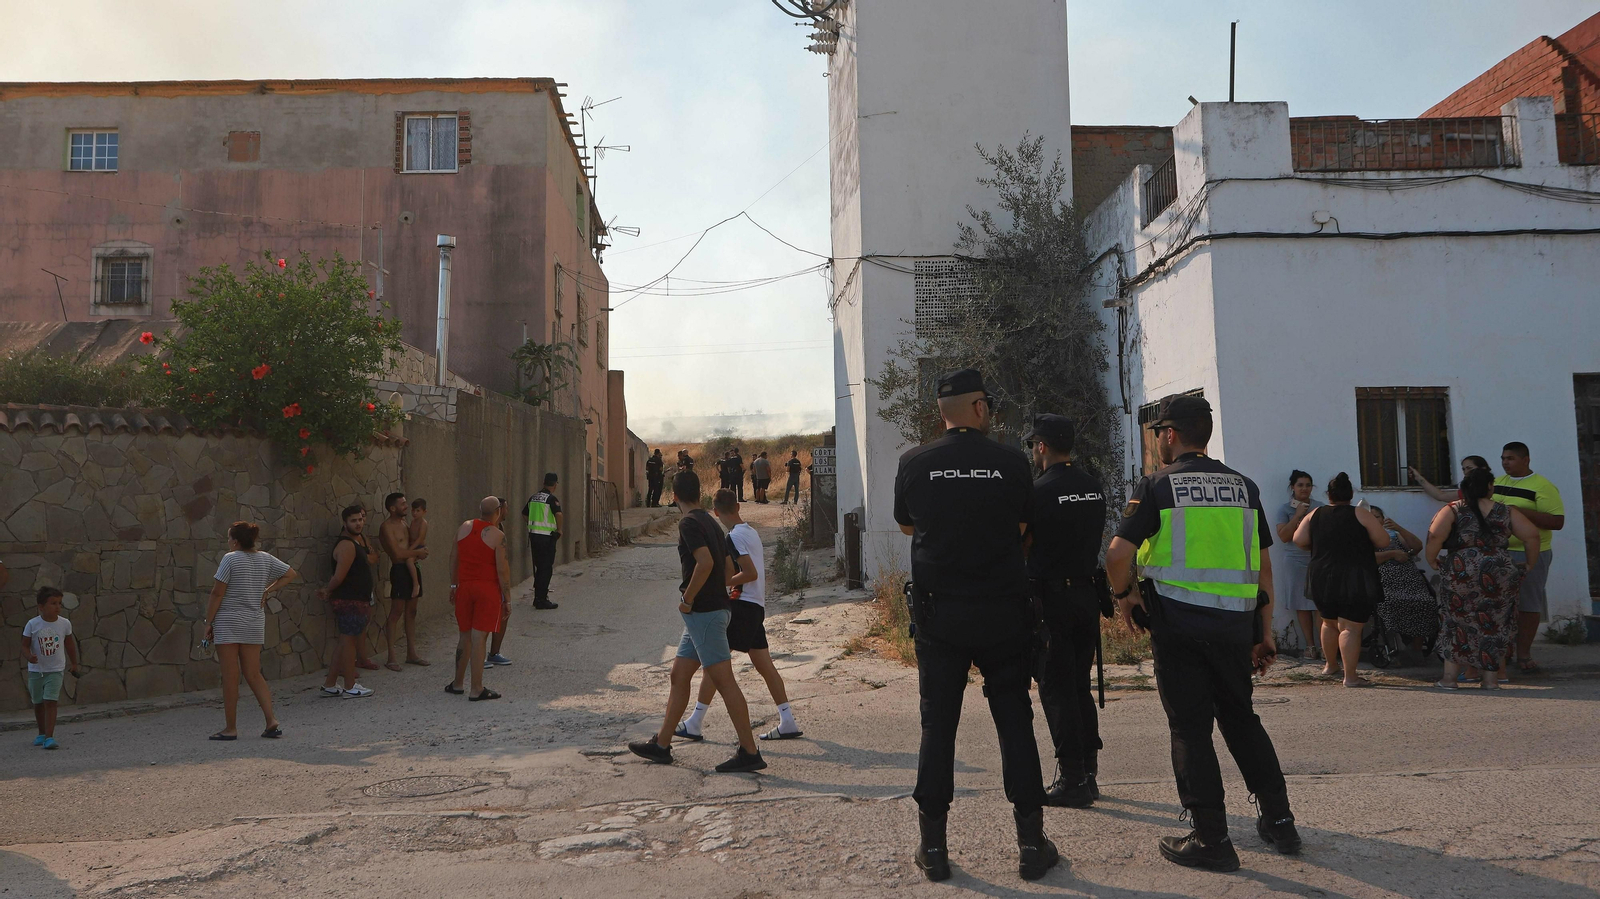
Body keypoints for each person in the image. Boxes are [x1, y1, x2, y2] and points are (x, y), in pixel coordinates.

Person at [1105, 393, 1299, 872]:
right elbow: (1263, 569)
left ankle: (1212, 837)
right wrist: (1265, 633)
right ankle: (1280, 820)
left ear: (1170, 434)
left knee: (1191, 729)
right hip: (1235, 629)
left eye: (1158, 435)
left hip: (1178, 629)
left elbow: (1115, 556)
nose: (1158, 444)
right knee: (1241, 720)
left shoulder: (1156, 486)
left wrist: (1125, 596)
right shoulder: (1245, 488)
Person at [894, 368, 1058, 883]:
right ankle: (1031, 845)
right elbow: (1024, 528)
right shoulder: (1011, 461)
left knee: (937, 726)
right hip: (1003, 614)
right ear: (980, 408)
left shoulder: (915, 461)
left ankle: (934, 848)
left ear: (942, 412)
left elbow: (906, 524)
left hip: (940, 616)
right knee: (1014, 722)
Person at [628, 470, 768, 774]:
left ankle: (749, 751)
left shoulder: (689, 522)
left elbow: (704, 563)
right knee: (679, 674)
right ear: (700, 494)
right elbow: (728, 569)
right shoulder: (711, 522)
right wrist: (714, 597)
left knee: (723, 680)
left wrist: (689, 599)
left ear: (674, 496)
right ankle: (662, 744)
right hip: (707, 613)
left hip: (703, 612)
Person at [1022, 414, 1107, 809]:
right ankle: (1089, 772)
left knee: (1056, 689)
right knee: (1079, 686)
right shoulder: (1093, 488)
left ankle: (1072, 778)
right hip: (1087, 597)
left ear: (1041, 446)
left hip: (1051, 601)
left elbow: (1023, 545)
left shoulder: (1036, 491)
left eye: (1032, 446)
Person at [676, 488, 804, 742]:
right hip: (756, 606)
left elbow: (749, 572)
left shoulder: (732, 537)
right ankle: (787, 719)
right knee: (765, 666)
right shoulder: (751, 532)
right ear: (738, 507)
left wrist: (725, 582)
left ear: (715, 512)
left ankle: (695, 722)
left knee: (714, 665)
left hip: (741, 604)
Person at [1425, 467, 1541, 690]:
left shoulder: (1454, 509)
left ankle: (1449, 679)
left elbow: (1435, 535)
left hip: (1461, 569)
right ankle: (1491, 680)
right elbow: (1532, 535)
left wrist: (1431, 559)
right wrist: (1529, 564)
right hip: (1499, 569)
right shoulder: (1505, 511)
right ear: (1490, 486)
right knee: (1494, 624)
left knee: (1455, 621)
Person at [1292, 474, 1389, 687]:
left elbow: (1298, 540)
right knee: (1351, 627)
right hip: (1355, 575)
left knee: (1328, 621)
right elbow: (1383, 540)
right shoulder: (1361, 514)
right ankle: (1351, 677)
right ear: (1351, 494)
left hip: (1322, 575)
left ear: (1329, 494)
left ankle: (1330, 665)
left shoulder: (1315, 514)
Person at [205, 521, 298, 740]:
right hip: (254, 622)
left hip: (229, 622)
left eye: (229, 538)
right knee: (254, 674)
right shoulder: (265, 558)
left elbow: (217, 593)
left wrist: (208, 622)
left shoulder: (230, 559)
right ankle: (271, 720)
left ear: (235, 541)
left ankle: (231, 728)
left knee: (230, 676)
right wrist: (268, 590)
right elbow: (291, 573)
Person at [1494, 442, 1565, 673]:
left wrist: (1521, 512)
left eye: (1511, 458)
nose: (1505, 462)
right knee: (1500, 605)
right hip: (1500, 552)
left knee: (1528, 604)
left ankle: (1524, 654)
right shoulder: (1497, 484)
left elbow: (1557, 522)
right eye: (1503, 458)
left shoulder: (1543, 486)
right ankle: (1502, 652)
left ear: (1526, 460)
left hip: (1532, 553)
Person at [447, 496, 511, 701]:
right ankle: (476, 688)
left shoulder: (464, 527)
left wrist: (454, 584)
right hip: (487, 590)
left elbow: (453, 557)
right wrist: (507, 598)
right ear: (498, 511)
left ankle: (457, 683)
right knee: (479, 638)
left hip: (464, 587)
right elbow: (502, 570)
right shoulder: (498, 535)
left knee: (464, 635)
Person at [316, 505, 378, 699]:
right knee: (348, 642)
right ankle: (350, 686)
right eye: (353, 520)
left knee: (344, 642)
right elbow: (339, 576)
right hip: (349, 600)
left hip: (356, 600)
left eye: (360, 519)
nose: (358, 523)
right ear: (345, 523)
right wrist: (328, 589)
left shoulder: (356, 542)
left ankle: (330, 685)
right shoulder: (346, 545)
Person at [1368, 504, 1437, 652]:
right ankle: (1396, 647)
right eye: (1370, 517)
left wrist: (1399, 528)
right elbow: (1366, 558)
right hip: (1384, 580)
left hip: (1409, 577)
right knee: (1391, 604)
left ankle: (1417, 650)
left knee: (1424, 602)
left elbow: (1417, 546)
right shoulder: (1363, 537)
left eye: (1377, 517)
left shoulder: (1393, 534)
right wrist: (1392, 554)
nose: (1374, 520)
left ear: (1383, 519)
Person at [1272, 471, 1324, 660]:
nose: (1304, 489)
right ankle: (1310, 646)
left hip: (1317, 559)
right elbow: (1284, 537)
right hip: (1295, 561)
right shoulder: (1284, 509)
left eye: (1308, 485)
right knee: (1301, 604)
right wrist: (1298, 516)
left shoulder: (1320, 508)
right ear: (1292, 487)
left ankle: (1325, 646)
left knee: (1319, 604)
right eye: (1300, 485)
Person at [22, 587, 79, 750]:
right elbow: (24, 646)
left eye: (59, 603)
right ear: (41, 606)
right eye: (53, 603)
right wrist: (29, 657)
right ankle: (41, 733)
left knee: (50, 701)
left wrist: (73, 663)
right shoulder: (32, 624)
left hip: (55, 669)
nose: (57, 607)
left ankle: (49, 737)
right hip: (36, 670)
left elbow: (69, 644)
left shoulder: (64, 624)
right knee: (38, 703)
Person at [379, 493, 429, 671]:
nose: (406, 507)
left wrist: (420, 552)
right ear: (393, 508)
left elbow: (412, 547)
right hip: (400, 571)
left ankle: (411, 653)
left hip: (412, 569)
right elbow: (397, 553)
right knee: (396, 611)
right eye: (403, 504)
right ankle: (391, 656)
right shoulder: (387, 527)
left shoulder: (405, 524)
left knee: (412, 611)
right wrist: (417, 553)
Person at [523, 474, 563, 613]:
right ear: (554, 485)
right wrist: (559, 530)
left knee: (539, 567)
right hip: (547, 538)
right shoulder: (551, 499)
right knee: (546, 569)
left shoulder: (533, 497)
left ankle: (537, 597)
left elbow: (524, 513)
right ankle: (542, 599)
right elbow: (558, 514)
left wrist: (531, 525)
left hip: (534, 537)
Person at [1409, 456, 1493, 503]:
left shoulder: (1498, 484)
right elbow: (1441, 496)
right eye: (1463, 469)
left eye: (1469, 468)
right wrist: (1419, 478)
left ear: (1483, 468)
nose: (1466, 472)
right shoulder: (1469, 490)